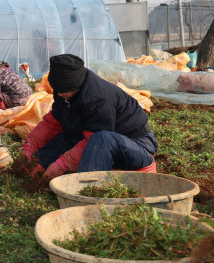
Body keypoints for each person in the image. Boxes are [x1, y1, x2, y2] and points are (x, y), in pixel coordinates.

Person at [21, 54, 158, 183]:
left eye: (63, 91)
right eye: (58, 91)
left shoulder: (98, 99)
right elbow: (53, 123)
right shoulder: (64, 91)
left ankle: (87, 187)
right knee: (38, 164)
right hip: (89, 138)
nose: (60, 94)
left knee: (100, 139)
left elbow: (94, 139)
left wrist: (62, 164)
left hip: (135, 146)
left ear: (76, 86)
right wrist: (30, 145)